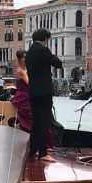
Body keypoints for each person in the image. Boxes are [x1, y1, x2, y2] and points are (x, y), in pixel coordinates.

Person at [25, 28, 63, 161]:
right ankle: (43, 153)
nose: (47, 42)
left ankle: (33, 150)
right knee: (44, 122)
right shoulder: (43, 50)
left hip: (33, 92)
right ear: (45, 39)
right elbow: (58, 63)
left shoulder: (29, 53)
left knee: (36, 122)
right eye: (47, 39)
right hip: (44, 92)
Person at [11, 50, 58, 147]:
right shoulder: (21, 71)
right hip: (24, 97)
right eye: (24, 57)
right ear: (20, 59)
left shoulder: (25, 70)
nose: (26, 59)